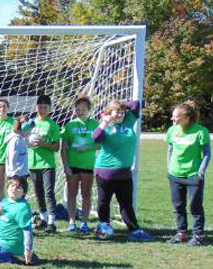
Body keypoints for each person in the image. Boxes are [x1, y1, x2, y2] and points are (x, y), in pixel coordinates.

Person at [93, 100, 154, 242]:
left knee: (126, 203)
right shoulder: (105, 126)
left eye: (122, 112)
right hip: (105, 172)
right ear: (108, 112)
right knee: (104, 202)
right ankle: (104, 227)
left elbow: (136, 104)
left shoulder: (128, 120)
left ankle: (135, 230)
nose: (120, 114)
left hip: (124, 172)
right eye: (117, 112)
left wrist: (119, 105)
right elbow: (95, 137)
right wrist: (105, 121)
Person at [166, 100, 210, 246]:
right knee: (178, 206)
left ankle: (197, 236)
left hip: (193, 176)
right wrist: (169, 167)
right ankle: (181, 234)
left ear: (186, 117)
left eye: (176, 117)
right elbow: (170, 149)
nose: (173, 119)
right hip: (174, 175)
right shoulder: (172, 130)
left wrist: (201, 172)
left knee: (195, 207)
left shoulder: (200, 131)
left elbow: (207, 154)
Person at [60, 96, 98, 233]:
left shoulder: (95, 124)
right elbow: (63, 148)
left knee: (86, 194)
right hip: (73, 165)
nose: (80, 111)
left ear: (89, 110)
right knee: (72, 194)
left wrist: (87, 148)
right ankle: (71, 221)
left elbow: (100, 145)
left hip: (88, 165)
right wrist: (66, 165)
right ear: (74, 110)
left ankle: (84, 223)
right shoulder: (69, 126)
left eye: (83, 109)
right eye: (78, 109)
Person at [23, 95, 60, 234]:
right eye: (40, 107)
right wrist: (28, 141)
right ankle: (43, 218)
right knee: (38, 193)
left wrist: (44, 143)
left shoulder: (53, 125)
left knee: (49, 192)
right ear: (36, 107)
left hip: (47, 164)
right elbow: (23, 138)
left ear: (50, 109)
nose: (42, 110)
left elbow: (56, 147)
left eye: (45, 107)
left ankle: (52, 222)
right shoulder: (30, 123)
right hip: (32, 163)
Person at [0, 177, 37, 265]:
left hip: (11, 245)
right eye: (12, 185)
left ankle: (15, 258)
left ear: (24, 192)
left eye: (18, 187)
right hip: (2, 241)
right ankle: (23, 256)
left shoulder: (22, 208)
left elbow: (27, 230)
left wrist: (28, 249)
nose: (14, 188)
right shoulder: (5, 201)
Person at [4, 115, 30, 193]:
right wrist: (14, 176)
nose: (29, 133)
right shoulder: (15, 140)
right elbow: (12, 159)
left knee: (22, 194)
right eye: (29, 130)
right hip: (16, 175)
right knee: (17, 196)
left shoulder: (20, 139)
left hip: (21, 173)